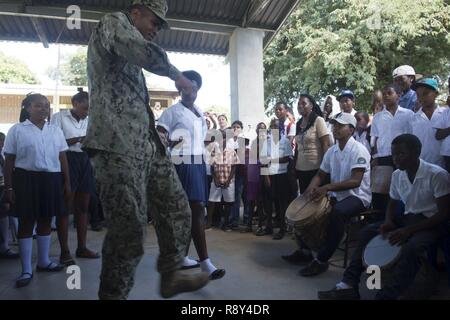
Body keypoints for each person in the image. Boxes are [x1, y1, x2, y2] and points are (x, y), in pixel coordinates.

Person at [83, 0, 210, 299]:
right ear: (136, 11)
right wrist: (175, 73)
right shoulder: (113, 23)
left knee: (178, 209)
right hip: (115, 145)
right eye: (154, 22)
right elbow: (134, 46)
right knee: (128, 229)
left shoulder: (132, 54)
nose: (156, 30)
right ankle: (113, 295)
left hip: (147, 145)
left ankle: (170, 275)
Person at [318, 134, 450, 300]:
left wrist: (408, 231)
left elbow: (444, 214)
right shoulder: (397, 175)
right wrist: (388, 221)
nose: (395, 159)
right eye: (394, 154)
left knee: (413, 247)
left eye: (401, 154)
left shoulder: (437, 175)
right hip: (409, 219)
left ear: (416, 152)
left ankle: (387, 295)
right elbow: (393, 203)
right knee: (368, 232)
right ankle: (348, 285)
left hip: (432, 223)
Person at [157, 70, 225, 280]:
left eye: (194, 87)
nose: (190, 91)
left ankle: (182, 257)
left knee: (190, 212)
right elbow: (160, 134)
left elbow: (200, 140)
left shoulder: (199, 112)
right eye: (186, 87)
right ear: (180, 89)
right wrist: (167, 143)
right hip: (181, 163)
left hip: (198, 163)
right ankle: (205, 262)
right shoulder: (172, 112)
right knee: (196, 210)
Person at [291, 113, 371, 276]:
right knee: (303, 210)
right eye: (334, 125)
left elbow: (355, 181)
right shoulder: (332, 151)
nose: (336, 128)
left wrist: (327, 188)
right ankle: (306, 252)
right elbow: (320, 175)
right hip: (336, 196)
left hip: (357, 197)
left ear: (351, 129)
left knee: (337, 213)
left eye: (340, 126)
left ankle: (321, 260)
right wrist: (309, 191)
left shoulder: (359, 150)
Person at [3, 94, 68, 288]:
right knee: (26, 222)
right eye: (38, 106)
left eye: (46, 106)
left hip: (52, 179)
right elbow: (9, 160)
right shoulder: (17, 130)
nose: (44, 109)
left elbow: (62, 157)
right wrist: (9, 187)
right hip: (25, 180)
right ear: (27, 108)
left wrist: (67, 182)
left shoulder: (55, 130)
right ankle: (26, 270)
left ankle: (43, 261)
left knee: (46, 220)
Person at [51, 89, 99, 266]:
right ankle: (64, 252)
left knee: (83, 205)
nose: (87, 112)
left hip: (85, 160)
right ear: (75, 103)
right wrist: (80, 138)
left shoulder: (90, 119)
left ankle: (82, 247)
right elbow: (55, 142)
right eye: (85, 107)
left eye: (90, 109)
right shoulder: (59, 117)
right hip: (66, 160)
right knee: (65, 205)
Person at [370, 84, 414, 212]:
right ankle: (382, 218)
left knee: (403, 188)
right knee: (383, 190)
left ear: (399, 96)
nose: (385, 96)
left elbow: (413, 136)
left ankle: (404, 216)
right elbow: (374, 140)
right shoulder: (378, 117)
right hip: (384, 157)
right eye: (384, 94)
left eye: (389, 93)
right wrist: (375, 158)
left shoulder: (408, 114)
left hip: (404, 157)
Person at [258, 119, 293, 240]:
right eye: (272, 126)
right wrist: (266, 177)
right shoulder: (265, 142)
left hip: (281, 175)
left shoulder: (286, 141)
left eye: (277, 126)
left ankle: (282, 229)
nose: (275, 128)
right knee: (268, 203)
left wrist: (271, 160)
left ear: (281, 128)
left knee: (281, 203)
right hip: (269, 175)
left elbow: (287, 159)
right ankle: (268, 227)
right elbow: (263, 162)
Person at [294, 94, 330, 194]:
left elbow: (325, 144)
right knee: (304, 200)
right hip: (301, 169)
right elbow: (297, 147)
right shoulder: (298, 123)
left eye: (303, 103)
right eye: (298, 104)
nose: (300, 106)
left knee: (316, 201)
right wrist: (295, 166)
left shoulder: (318, 120)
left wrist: (325, 167)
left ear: (311, 106)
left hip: (316, 170)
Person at [410, 78, 445, 168]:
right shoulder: (413, 119)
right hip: (422, 167)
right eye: (418, 95)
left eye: (425, 93)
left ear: (436, 93)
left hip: (444, 165)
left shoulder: (445, 115)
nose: (421, 98)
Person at [0, 132, 19, 260]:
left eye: (3, 141)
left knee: (5, 215)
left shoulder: (3, 154)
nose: (2, 144)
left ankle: (4, 246)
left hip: (2, 187)